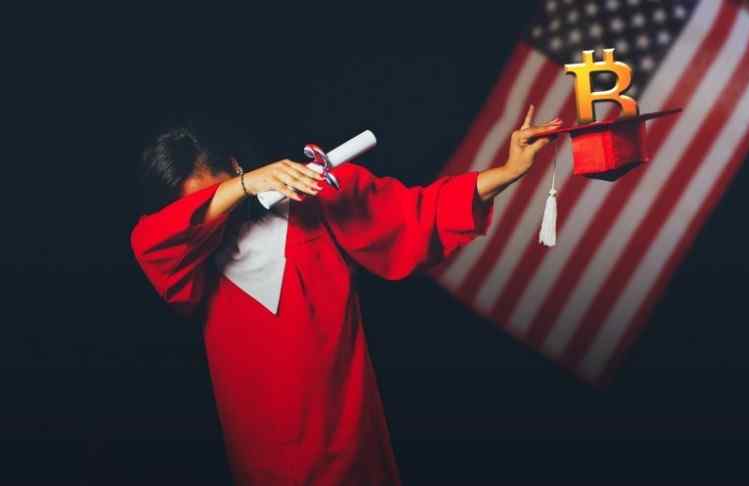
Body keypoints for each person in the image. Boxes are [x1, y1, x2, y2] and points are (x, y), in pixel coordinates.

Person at [130, 105, 561, 485]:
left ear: (235, 163)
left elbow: (419, 213)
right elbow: (153, 240)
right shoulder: (187, 258)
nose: (214, 213)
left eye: (216, 190)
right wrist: (239, 189)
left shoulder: (315, 202)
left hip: (345, 441)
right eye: (203, 205)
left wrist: (507, 172)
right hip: (260, 458)